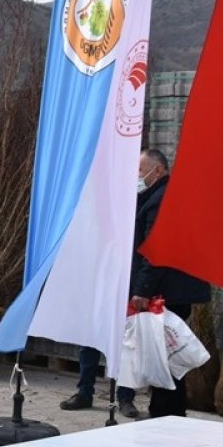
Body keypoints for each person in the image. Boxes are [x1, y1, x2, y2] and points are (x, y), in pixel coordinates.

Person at [61, 149, 210, 418]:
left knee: (160, 353)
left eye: (140, 171)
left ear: (158, 170)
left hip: (161, 289)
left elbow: (155, 251)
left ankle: (161, 411)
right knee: (156, 352)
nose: (136, 177)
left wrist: (142, 290)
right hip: (137, 279)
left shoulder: (160, 200)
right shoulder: (149, 197)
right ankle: (160, 409)